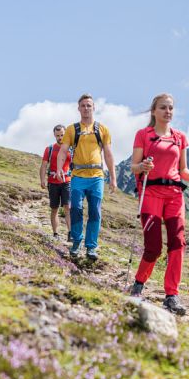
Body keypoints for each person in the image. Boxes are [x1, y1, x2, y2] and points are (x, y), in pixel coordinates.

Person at [129, 93, 189, 315]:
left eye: (170, 108)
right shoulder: (143, 134)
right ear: (154, 111)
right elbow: (134, 166)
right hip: (151, 193)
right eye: (163, 108)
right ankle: (139, 283)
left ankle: (171, 295)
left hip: (174, 195)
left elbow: (183, 170)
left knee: (177, 243)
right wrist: (142, 166)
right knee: (153, 247)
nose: (168, 112)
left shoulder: (180, 137)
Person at [56, 94, 117, 260]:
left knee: (95, 212)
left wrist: (113, 177)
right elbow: (63, 151)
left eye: (89, 105)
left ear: (94, 107)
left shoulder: (102, 130)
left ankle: (91, 247)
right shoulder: (72, 129)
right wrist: (60, 168)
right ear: (79, 108)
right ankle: (76, 242)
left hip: (97, 176)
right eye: (83, 105)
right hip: (77, 176)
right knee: (75, 208)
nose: (86, 108)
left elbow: (109, 154)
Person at [40, 124, 71, 240]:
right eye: (57, 135)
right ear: (54, 135)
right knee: (54, 208)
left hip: (67, 181)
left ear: (66, 133)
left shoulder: (71, 149)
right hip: (52, 182)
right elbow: (43, 165)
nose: (60, 137)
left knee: (68, 207)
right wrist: (42, 179)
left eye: (62, 135)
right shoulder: (49, 149)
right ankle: (55, 233)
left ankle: (70, 233)